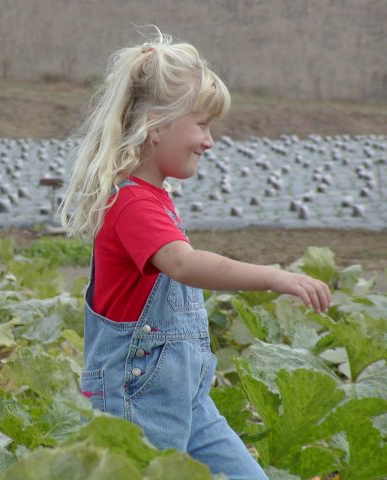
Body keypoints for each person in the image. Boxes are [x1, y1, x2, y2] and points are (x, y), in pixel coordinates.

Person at [59, 29, 331, 479]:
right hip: (137, 400)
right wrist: (273, 276)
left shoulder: (156, 197)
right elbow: (184, 264)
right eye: (201, 125)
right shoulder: (131, 203)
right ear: (154, 126)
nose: (209, 141)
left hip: (187, 398)